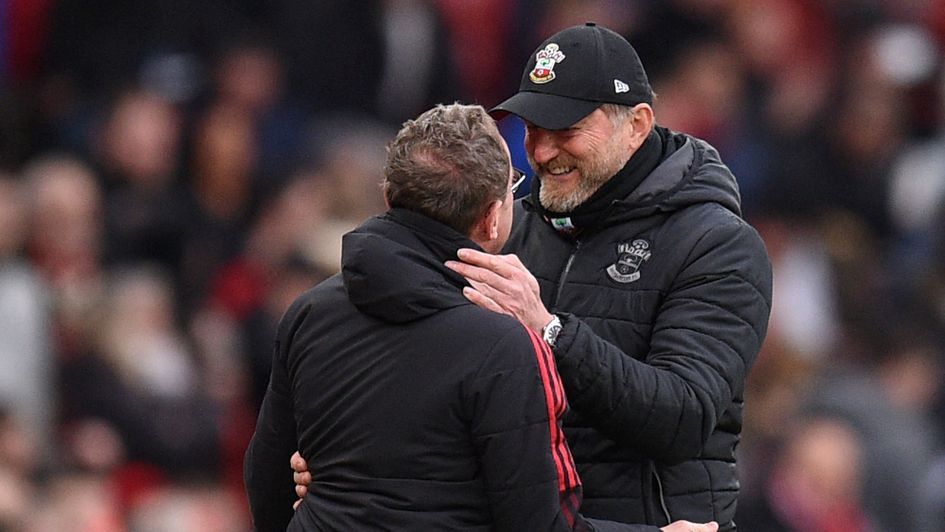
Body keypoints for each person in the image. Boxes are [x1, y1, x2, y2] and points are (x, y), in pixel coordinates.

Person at [293, 23, 772, 531]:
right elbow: (432, 379)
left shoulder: (717, 245)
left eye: (565, 130)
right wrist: (353, 469)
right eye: (532, 128)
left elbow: (683, 419)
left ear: (636, 124)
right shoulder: (510, 226)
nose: (540, 151)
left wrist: (550, 332)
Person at [243, 102, 717, 532]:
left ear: (389, 198)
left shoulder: (308, 312)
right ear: (492, 219)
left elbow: (267, 482)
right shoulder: (504, 345)